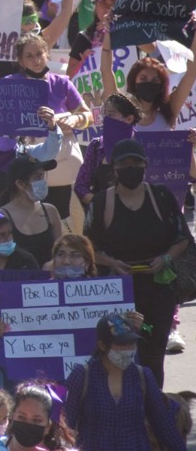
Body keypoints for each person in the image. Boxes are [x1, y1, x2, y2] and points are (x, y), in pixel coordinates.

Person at [86, 138, 192, 386]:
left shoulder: (161, 196)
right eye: (124, 163)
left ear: (145, 165)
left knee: (152, 353)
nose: (130, 167)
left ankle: (153, 410)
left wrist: (166, 258)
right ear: (115, 168)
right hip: (117, 294)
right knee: (118, 355)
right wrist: (111, 262)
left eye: (136, 162)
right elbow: (88, 246)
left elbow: (182, 238)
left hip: (157, 292)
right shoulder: (101, 202)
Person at [63, 314, 187, 450]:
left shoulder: (143, 376)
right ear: (102, 346)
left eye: (132, 343)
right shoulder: (82, 376)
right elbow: (64, 425)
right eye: (122, 344)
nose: (128, 349)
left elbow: (164, 425)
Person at [0, 154, 64, 268]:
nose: (42, 182)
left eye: (42, 176)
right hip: (17, 282)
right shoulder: (1, 216)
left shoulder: (51, 211)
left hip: (48, 282)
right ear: (20, 184)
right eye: (37, 177)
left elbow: (61, 252)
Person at [6, 382, 76, 451]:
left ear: (48, 425)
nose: (28, 424)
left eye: (36, 420)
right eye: (21, 417)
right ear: (12, 416)